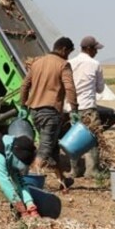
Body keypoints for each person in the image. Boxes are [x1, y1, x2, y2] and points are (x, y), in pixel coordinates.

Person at [20, 37, 78, 190]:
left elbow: (25, 85)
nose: (68, 56)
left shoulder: (37, 62)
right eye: (69, 52)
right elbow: (70, 88)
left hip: (35, 112)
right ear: (64, 50)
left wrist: (23, 105)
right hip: (50, 112)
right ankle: (29, 183)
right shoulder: (63, 65)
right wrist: (74, 109)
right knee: (45, 149)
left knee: (52, 148)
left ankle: (62, 182)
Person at [68, 35, 105, 179]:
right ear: (89, 49)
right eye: (95, 49)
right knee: (92, 139)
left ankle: (74, 170)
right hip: (88, 107)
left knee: (74, 139)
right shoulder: (95, 64)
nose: (97, 52)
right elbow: (100, 89)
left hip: (72, 108)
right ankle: (92, 171)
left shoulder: (70, 63)